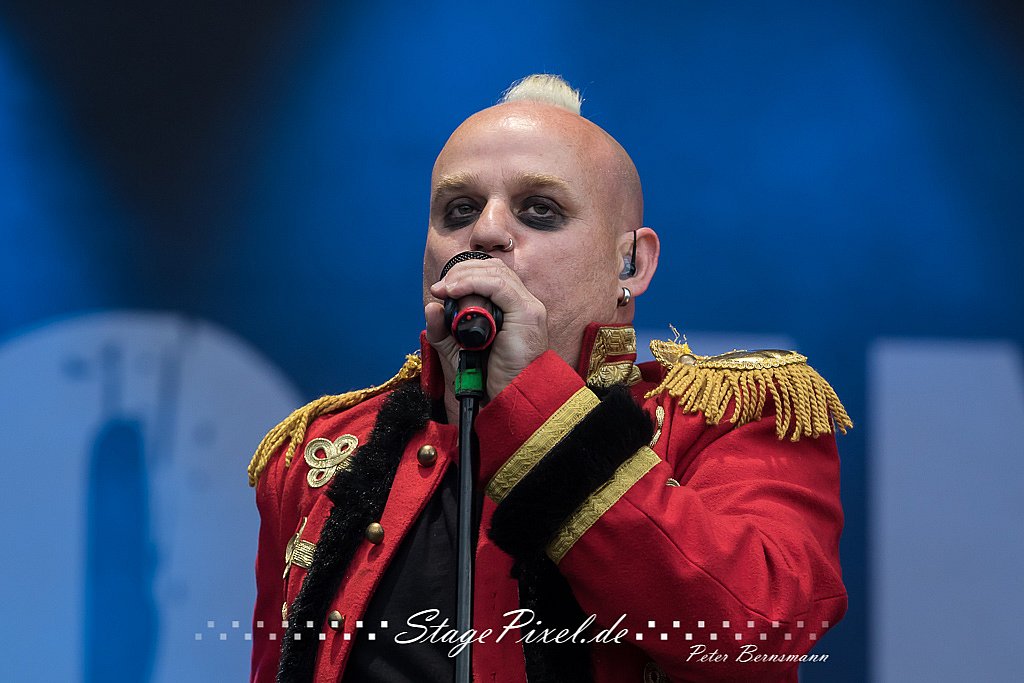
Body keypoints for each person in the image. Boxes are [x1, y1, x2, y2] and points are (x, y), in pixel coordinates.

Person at [247, 74, 851, 683]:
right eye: (459, 210)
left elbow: (756, 634)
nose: (486, 232)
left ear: (631, 263)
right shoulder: (325, 451)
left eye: (541, 210)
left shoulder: (731, 419)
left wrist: (532, 399)